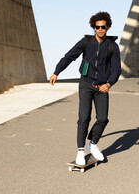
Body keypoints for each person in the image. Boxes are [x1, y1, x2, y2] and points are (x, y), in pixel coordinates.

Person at [49, 11, 121, 165]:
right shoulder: (86, 42)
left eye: (103, 26)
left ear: (108, 27)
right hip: (86, 84)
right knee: (84, 118)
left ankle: (92, 144)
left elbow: (116, 68)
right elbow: (69, 56)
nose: (100, 29)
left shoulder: (113, 46)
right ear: (93, 28)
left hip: (102, 87)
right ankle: (80, 151)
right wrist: (57, 72)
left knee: (102, 119)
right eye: (97, 27)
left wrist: (109, 84)